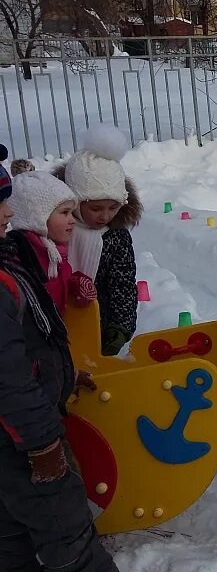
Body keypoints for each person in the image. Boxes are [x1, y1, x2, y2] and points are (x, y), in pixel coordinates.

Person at [0, 144, 119, 572]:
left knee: (14, 539)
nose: (7, 214)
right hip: (24, 443)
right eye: (1, 204)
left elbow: (36, 345)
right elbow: (9, 375)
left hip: (21, 432)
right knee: (71, 540)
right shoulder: (16, 267)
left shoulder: (27, 262)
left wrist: (65, 377)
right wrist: (42, 444)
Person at [53, 125, 142, 356]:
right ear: (75, 201)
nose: (105, 216)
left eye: (113, 207)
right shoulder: (57, 230)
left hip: (99, 325)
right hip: (56, 326)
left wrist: (121, 325)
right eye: (96, 208)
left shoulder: (115, 237)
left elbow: (122, 283)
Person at [6, 170, 96, 315]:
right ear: (38, 218)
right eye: (65, 212)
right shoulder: (21, 258)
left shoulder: (54, 252)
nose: (72, 220)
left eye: (72, 212)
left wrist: (75, 283)